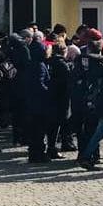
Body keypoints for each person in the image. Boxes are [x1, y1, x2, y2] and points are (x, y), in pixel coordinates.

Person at [18, 32, 49, 163]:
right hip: (39, 102)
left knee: (34, 129)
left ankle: (35, 153)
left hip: (31, 101)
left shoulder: (31, 63)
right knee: (39, 130)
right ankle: (38, 154)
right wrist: (49, 92)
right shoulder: (40, 66)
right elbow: (40, 84)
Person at [45, 41, 71, 160]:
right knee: (58, 125)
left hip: (50, 96)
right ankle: (52, 149)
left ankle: (51, 147)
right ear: (64, 51)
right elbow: (68, 81)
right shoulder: (63, 64)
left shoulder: (49, 62)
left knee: (51, 125)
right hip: (61, 98)